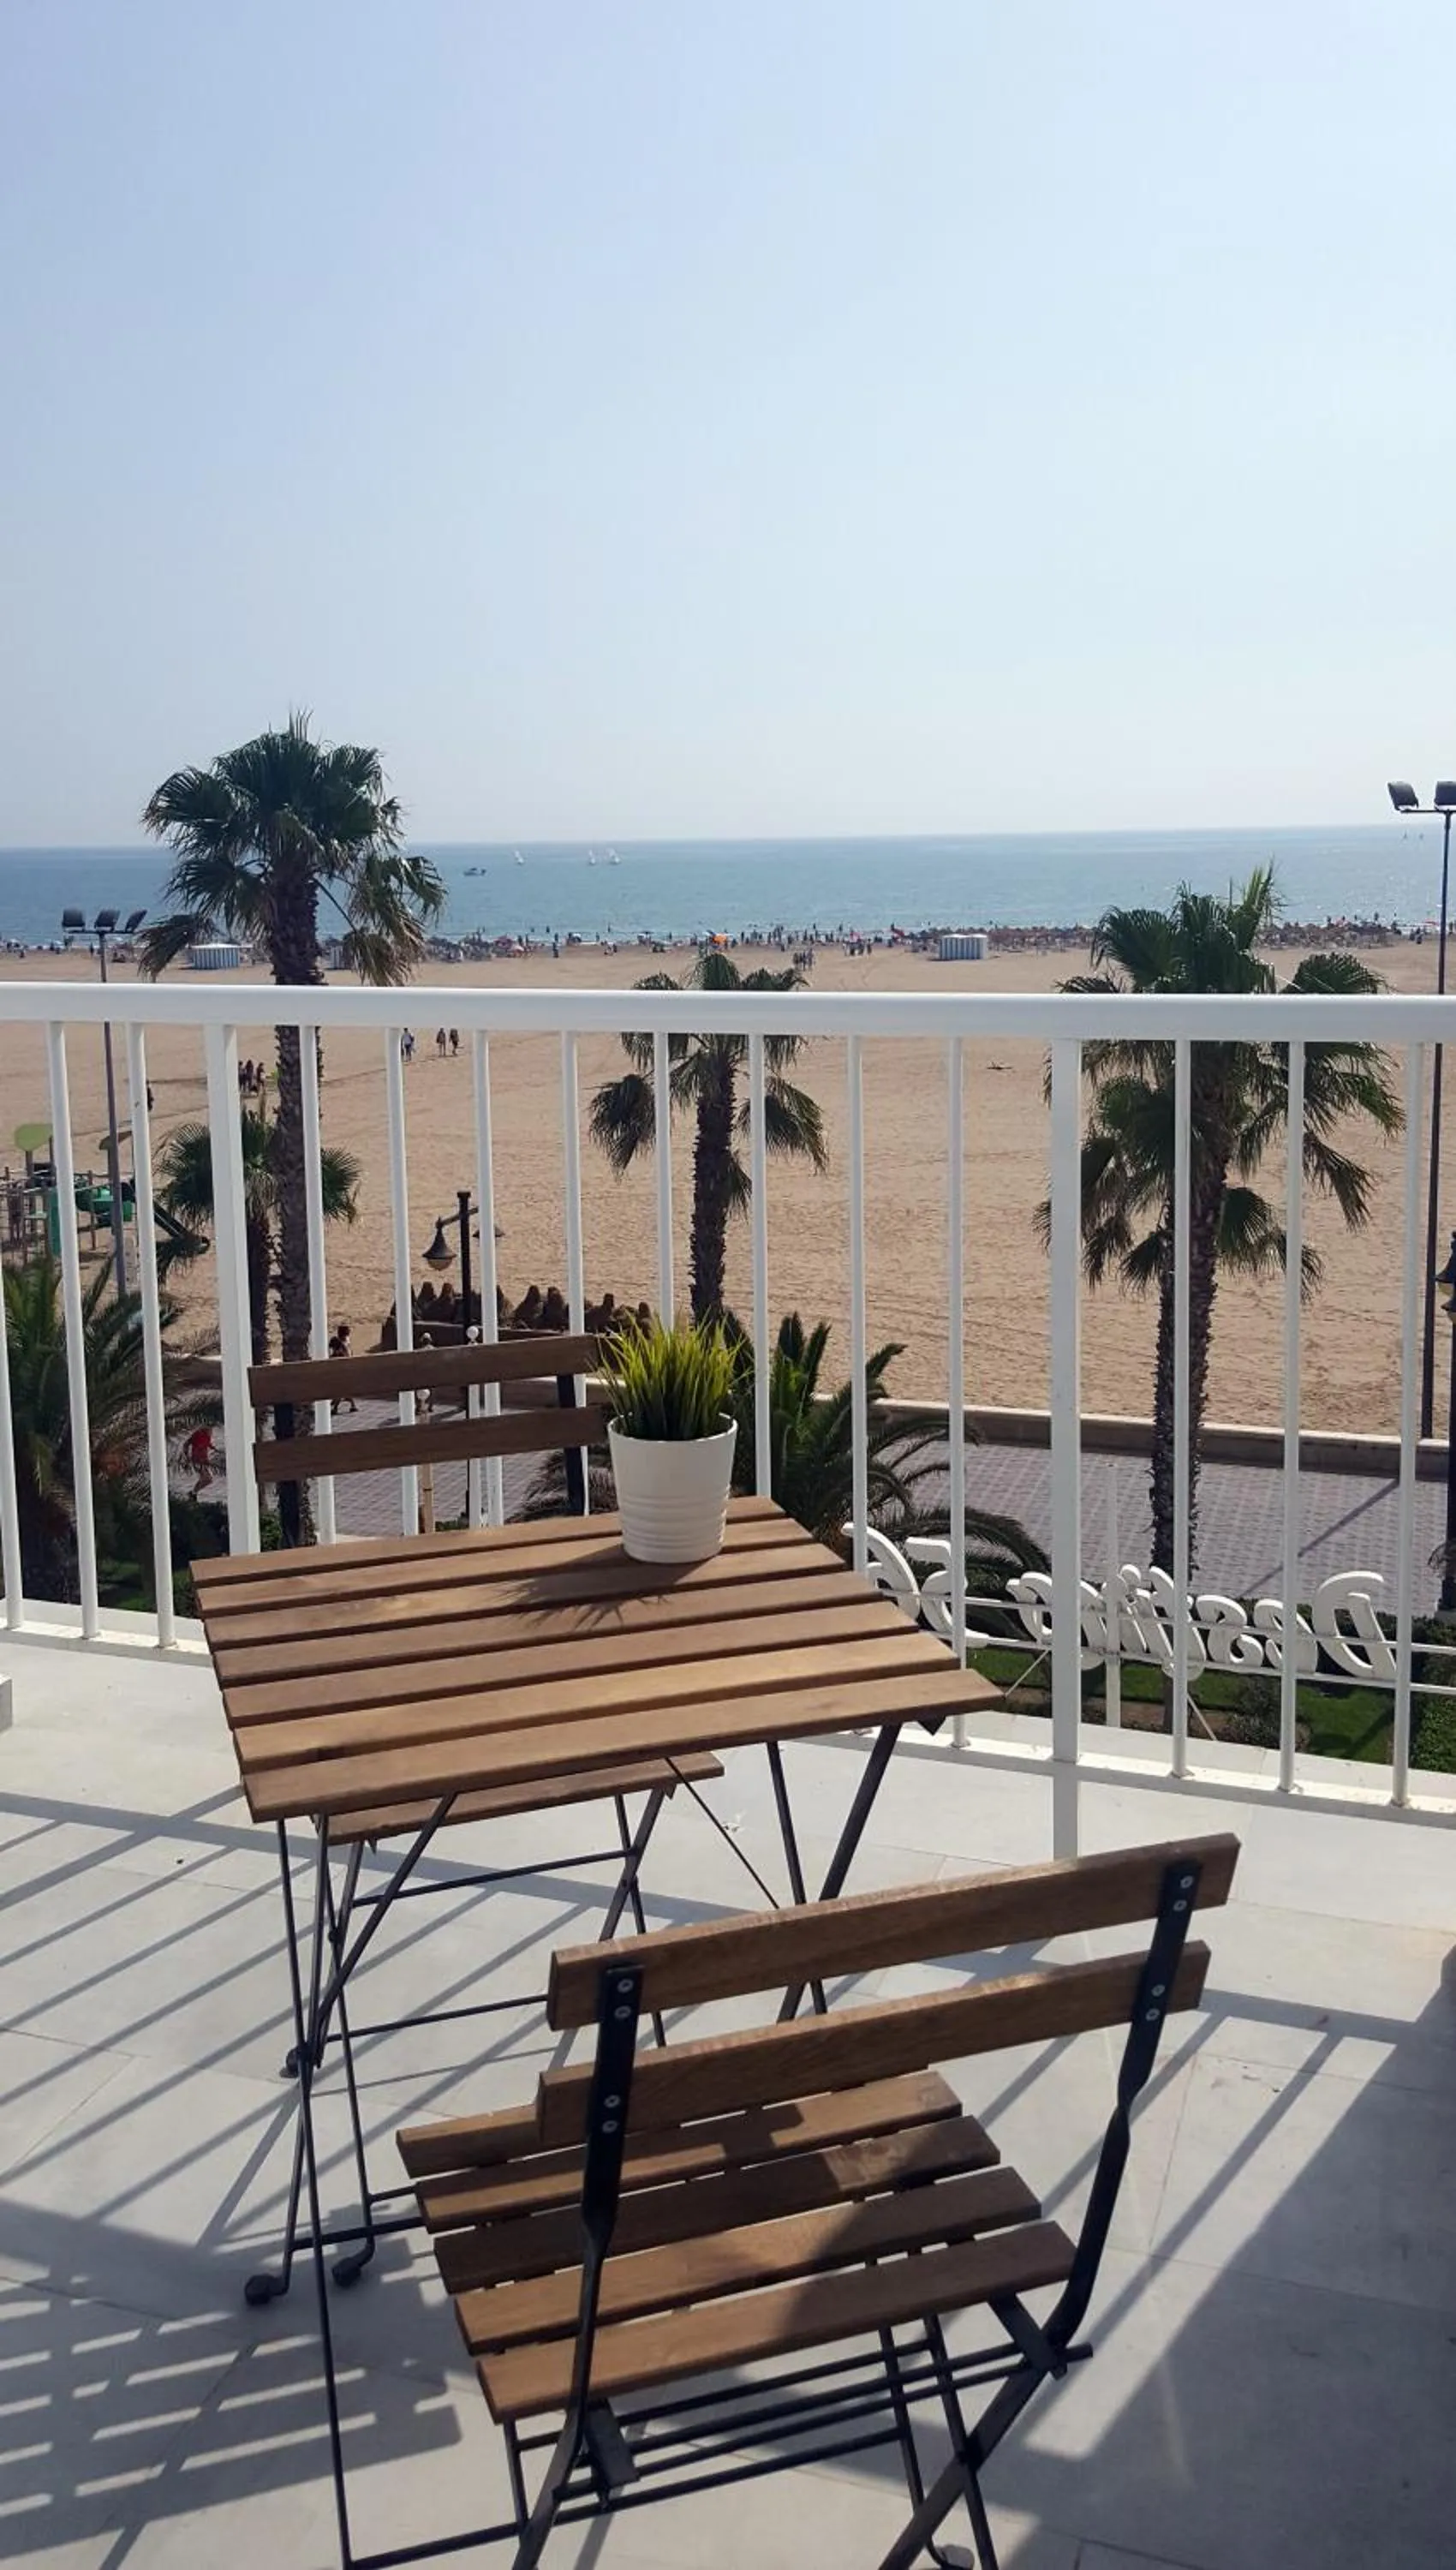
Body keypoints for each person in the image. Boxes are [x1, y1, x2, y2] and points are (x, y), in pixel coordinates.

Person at [328, 1321, 357, 1413]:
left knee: (343, 1389)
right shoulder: (339, 1342)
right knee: (342, 1388)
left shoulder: (346, 1341)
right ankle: (338, 1406)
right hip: (341, 1368)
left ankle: (342, 1405)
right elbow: (335, 1353)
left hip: (346, 1368)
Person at [185, 1424, 216, 1495]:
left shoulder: (208, 1436)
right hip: (197, 1460)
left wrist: (213, 1448)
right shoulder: (197, 1434)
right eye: (209, 1430)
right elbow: (187, 1443)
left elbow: (207, 1444)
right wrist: (187, 1457)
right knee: (206, 1478)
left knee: (208, 1479)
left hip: (205, 1460)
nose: (211, 1432)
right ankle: (193, 1492)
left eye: (211, 1430)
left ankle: (194, 1492)